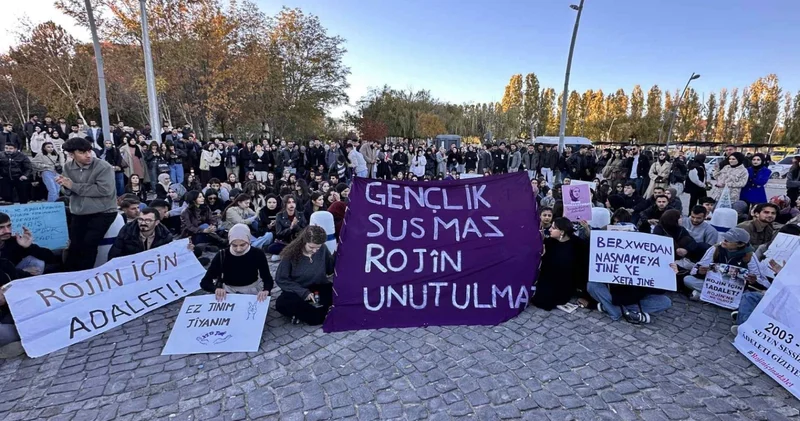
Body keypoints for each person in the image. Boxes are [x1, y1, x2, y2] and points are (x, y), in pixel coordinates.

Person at [56, 138, 118, 271]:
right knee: (74, 246)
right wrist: (64, 186)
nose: (88, 155)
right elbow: (67, 191)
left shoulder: (103, 166)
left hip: (104, 211)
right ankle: (68, 275)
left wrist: (73, 186)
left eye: (89, 151)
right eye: (82, 152)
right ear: (71, 155)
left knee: (89, 245)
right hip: (79, 211)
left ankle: (86, 276)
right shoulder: (67, 167)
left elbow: (104, 190)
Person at [274, 226, 335, 325]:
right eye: (311, 247)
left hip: (319, 287)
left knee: (338, 292)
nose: (315, 251)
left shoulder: (322, 249)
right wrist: (304, 292)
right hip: (298, 290)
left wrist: (338, 254)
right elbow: (281, 279)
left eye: (317, 247)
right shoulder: (290, 254)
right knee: (282, 303)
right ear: (304, 241)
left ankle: (305, 313)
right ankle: (319, 313)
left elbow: (330, 269)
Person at [200, 224, 273, 302]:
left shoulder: (257, 253)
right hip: (228, 293)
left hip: (252, 292)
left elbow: (267, 278)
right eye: (234, 245)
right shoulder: (222, 255)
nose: (238, 249)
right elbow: (205, 282)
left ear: (248, 241)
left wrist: (266, 290)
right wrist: (216, 289)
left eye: (242, 245)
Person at [684, 228, 763, 300]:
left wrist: (753, 280)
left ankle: (705, 296)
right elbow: (695, 269)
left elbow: (760, 280)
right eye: (725, 238)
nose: (725, 240)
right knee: (688, 279)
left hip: (734, 290)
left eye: (729, 240)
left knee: (751, 296)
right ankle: (717, 298)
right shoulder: (716, 249)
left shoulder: (750, 256)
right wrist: (700, 272)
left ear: (741, 244)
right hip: (713, 286)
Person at [532, 217, 591, 311]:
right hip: (549, 279)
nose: (550, 229)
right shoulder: (549, 242)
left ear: (562, 232)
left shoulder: (577, 245)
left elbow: (583, 269)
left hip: (566, 282)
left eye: (554, 228)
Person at [107, 207, 175, 260]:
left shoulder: (165, 235)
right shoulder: (127, 231)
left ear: (156, 222)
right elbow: (114, 254)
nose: (143, 223)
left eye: (148, 220)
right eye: (140, 219)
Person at [266, 195, 308, 259]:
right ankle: (292, 253)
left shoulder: (300, 215)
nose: (292, 204)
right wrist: (290, 228)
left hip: (298, 242)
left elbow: (305, 232)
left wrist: (295, 226)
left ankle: (287, 254)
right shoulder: (279, 216)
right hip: (285, 243)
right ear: (285, 204)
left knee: (305, 246)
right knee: (271, 248)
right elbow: (279, 234)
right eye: (289, 202)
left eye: (293, 202)